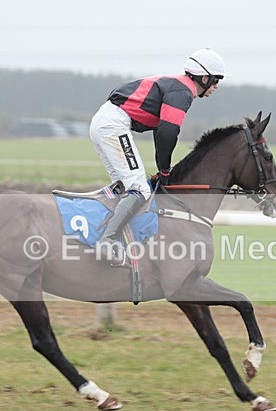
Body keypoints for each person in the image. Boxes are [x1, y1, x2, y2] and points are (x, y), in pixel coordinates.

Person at [89, 48, 227, 265]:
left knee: (126, 187)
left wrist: (162, 167)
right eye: (216, 79)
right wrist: (164, 170)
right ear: (204, 77)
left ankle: (109, 235)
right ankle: (107, 242)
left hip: (105, 121)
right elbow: (167, 132)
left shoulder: (177, 85)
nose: (217, 86)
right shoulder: (183, 91)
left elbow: (162, 131)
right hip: (113, 124)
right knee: (140, 189)